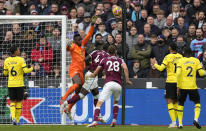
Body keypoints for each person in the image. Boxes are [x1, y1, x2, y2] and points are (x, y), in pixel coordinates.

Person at [60, 41, 109, 120]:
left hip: (90, 74)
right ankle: (65, 103)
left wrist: (91, 65)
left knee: (96, 95)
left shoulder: (95, 52)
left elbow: (85, 59)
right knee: (81, 95)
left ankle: (98, 115)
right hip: (92, 76)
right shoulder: (107, 56)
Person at [87, 45, 133, 127]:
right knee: (116, 102)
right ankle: (114, 120)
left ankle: (95, 121)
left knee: (99, 103)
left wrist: (92, 75)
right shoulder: (120, 60)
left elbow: (97, 71)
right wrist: (127, 80)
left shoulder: (104, 59)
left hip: (109, 84)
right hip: (118, 84)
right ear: (115, 51)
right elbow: (125, 68)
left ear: (108, 52)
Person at [60, 15, 98, 111]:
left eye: (81, 39)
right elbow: (67, 48)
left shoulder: (82, 45)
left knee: (78, 94)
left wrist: (92, 24)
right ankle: (63, 98)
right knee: (77, 84)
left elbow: (89, 34)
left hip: (82, 71)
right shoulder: (73, 46)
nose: (81, 41)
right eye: (78, 40)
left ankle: (68, 109)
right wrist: (66, 44)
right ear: (74, 41)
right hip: (74, 69)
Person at [152, 43, 183, 128]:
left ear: (170, 48)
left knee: (169, 101)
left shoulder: (168, 57)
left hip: (170, 81)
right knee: (176, 101)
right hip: (180, 82)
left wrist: (154, 64)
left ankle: (173, 122)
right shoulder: (181, 57)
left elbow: (161, 68)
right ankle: (176, 122)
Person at [3, 46, 33, 125]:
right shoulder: (20, 59)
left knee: (12, 102)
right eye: (18, 50)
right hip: (19, 84)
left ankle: (13, 118)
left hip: (11, 84)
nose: (19, 51)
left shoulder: (6, 60)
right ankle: (17, 120)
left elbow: (5, 73)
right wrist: (32, 68)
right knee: (19, 102)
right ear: (16, 52)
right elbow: (26, 70)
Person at [176, 48, 206, 129]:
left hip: (182, 86)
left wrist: (178, 86)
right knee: (197, 103)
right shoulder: (195, 60)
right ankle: (195, 119)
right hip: (193, 86)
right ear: (191, 53)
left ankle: (180, 124)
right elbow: (201, 73)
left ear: (184, 53)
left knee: (181, 104)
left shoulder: (180, 61)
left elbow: (178, 73)